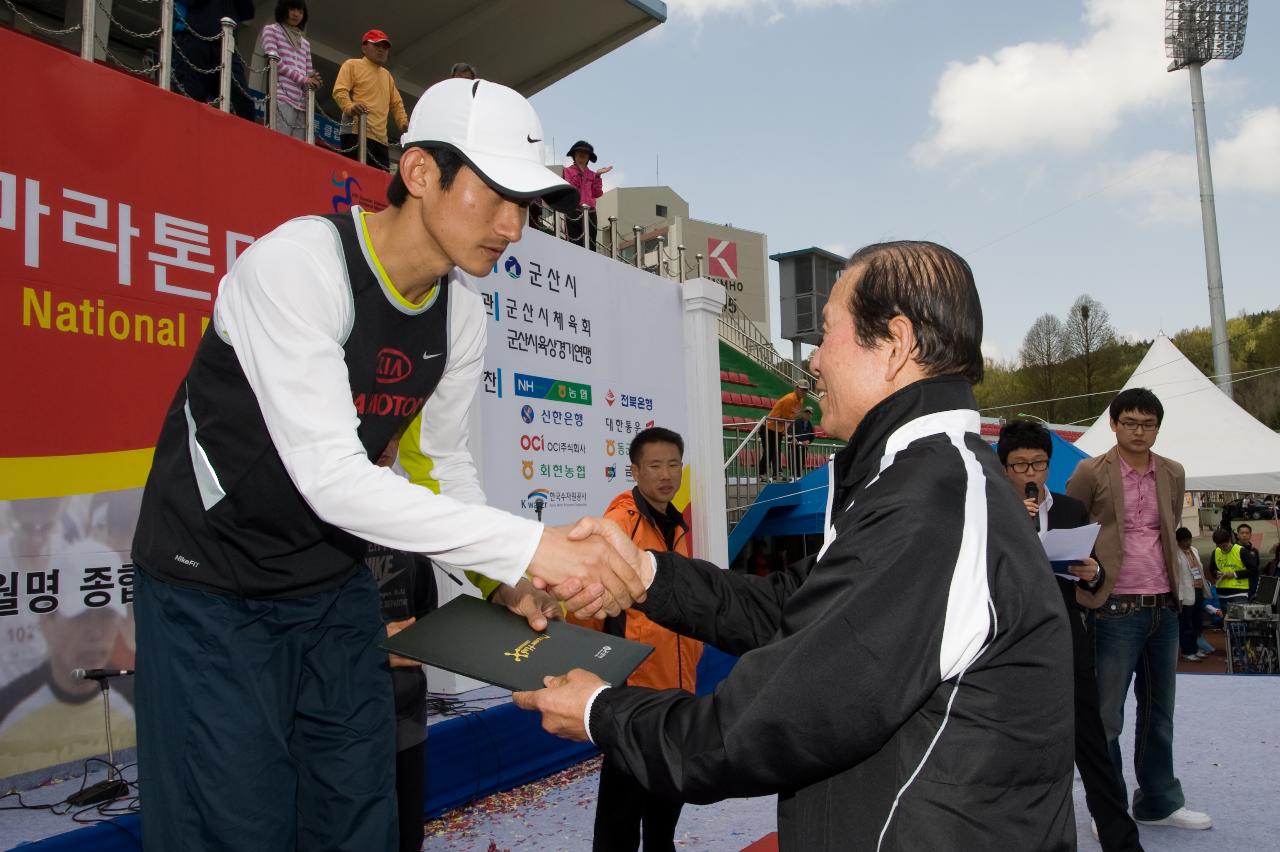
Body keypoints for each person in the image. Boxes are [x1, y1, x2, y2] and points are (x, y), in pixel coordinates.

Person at [130, 78, 644, 852]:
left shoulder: (460, 315)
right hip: (209, 588)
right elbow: (333, 478)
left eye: (527, 206)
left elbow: (441, 466)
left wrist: (500, 577)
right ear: (418, 172)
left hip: (329, 590)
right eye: (496, 193)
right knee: (234, 826)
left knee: (358, 811)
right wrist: (526, 545)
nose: (512, 226)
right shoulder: (300, 266)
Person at [516, 241, 1076, 851]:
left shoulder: (933, 504)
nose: (811, 363)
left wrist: (602, 712)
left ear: (893, 344)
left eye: (825, 336)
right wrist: (648, 575)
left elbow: (760, 726)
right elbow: (791, 607)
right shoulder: (917, 482)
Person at [1066, 387, 1211, 831]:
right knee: (1108, 716)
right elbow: (1073, 529)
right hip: (1112, 607)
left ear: (1158, 427)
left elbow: (1165, 532)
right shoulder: (1090, 472)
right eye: (1130, 422)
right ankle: (1107, 807)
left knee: (1159, 712)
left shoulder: (1172, 472)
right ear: (1113, 424)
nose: (1139, 431)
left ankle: (1159, 801)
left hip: (1164, 606)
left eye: (1148, 424)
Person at [996, 419, 1143, 852]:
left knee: (1092, 746)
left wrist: (1094, 572)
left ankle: (1121, 839)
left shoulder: (1070, 510)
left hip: (1064, 640)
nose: (1029, 474)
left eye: (1038, 464)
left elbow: (1093, 576)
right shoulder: (988, 512)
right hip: (1009, 645)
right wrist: (1015, 528)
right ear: (1003, 467)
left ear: (1049, 466)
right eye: (1019, 465)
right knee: (1012, 749)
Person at [570, 427, 701, 852]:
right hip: (633, 699)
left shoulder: (676, 525)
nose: (666, 475)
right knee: (619, 822)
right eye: (655, 466)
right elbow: (588, 606)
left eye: (673, 464)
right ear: (635, 471)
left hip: (677, 696)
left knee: (664, 818)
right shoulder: (619, 525)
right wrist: (601, 680)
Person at [332, 29, 409, 171]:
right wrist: (350, 106)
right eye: (377, 45)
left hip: (380, 139)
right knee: (353, 176)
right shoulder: (352, 65)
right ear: (364, 47)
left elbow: (397, 104)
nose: (381, 50)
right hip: (355, 131)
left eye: (385, 47)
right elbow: (339, 91)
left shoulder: (387, 76)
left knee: (378, 183)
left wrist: (403, 123)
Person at [172, 1, 256, 121]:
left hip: (226, 45)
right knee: (187, 102)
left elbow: (247, 11)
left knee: (244, 105)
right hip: (193, 37)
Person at [257, 0, 321, 139]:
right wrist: (303, 79)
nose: (296, 14)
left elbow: (308, 72)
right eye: (293, 9)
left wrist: (314, 80)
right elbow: (274, 62)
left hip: (302, 104)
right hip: (281, 97)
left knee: (297, 150)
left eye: (300, 11)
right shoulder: (271, 30)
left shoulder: (305, 43)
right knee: (277, 142)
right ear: (283, 9)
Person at [561, 141, 611, 251]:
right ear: (574, 155)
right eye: (579, 152)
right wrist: (580, 174)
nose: (582, 155)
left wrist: (598, 176)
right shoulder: (567, 171)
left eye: (585, 153)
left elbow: (597, 193)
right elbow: (570, 189)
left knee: (591, 245)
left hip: (590, 212)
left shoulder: (593, 174)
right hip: (574, 211)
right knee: (574, 243)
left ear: (589, 157)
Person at [759, 382, 808, 481]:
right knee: (769, 451)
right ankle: (761, 473)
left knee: (776, 451)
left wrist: (785, 430)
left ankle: (777, 473)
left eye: (805, 390)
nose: (803, 391)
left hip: (778, 428)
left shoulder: (801, 401)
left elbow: (792, 417)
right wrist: (786, 430)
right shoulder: (789, 399)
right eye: (802, 389)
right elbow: (786, 417)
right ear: (796, 388)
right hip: (769, 427)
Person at [1174, 527, 1208, 662]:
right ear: (1178, 541)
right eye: (1184, 541)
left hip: (1198, 588)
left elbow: (1200, 569)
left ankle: (1195, 647)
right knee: (1186, 623)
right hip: (1186, 592)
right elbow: (1177, 577)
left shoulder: (1194, 550)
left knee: (1197, 622)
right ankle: (1187, 650)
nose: (1188, 543)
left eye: (1189, 540)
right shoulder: (1175, 555)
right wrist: (1179, 596)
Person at [1209, 527, 1251, 610]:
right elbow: (1212, 569)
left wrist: (1234, 574)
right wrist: (1216, 574)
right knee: (1225, 620)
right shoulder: (1216, 552)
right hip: (1222, 593)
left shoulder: (1241, 551)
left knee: (1238, 622)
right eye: (1219, 546)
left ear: (1229, 540)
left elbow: (1253, 571)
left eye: (1224, 546)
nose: (1223, 549)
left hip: (1239, 593)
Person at [1234, 523, 1261, 598]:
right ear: (1237, 535)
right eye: (1242, 533)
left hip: (1253, 585)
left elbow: (1256, 567)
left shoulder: (1254, 551)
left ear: (1250, 535)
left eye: (1247, 533)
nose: (1244, 535)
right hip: (1239, 586)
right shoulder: (1233, 550)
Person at [790, 406, 815, 475]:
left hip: (804, 449)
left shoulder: (810, 426)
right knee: (793, 465)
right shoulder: (796, 422)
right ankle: (793, 480)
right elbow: (790, 431)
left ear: (811, 415)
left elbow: (812, 437)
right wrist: (793, 438)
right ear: (803, 413)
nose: (807, 415)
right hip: (794, 448)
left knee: (801, 465)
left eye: (809, 414)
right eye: (806, 413)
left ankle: (798, 479)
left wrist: (808, 441)